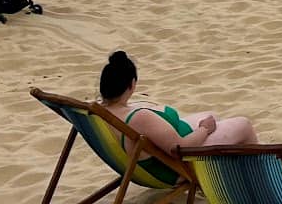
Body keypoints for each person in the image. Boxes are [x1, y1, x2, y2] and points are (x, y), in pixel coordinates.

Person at [96, 50, 259, 163]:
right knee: (244, 125)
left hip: (159, 150)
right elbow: (179, 149)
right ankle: (263, 178)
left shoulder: (100, 112)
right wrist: (204, 130)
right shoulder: (138, 118)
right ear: (132, 84)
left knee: (212, 116)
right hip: (179, 162)